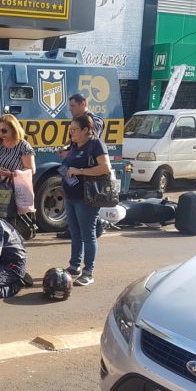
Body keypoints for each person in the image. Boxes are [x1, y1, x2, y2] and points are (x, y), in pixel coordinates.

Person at [60, 114, 112, 286]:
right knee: (75, 233)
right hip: (71, 196)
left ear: (85, 129)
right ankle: (74, 266)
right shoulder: (75, 145)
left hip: (86, 198)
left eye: (74, 130)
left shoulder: (96, 144)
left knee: (88, 235)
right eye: (70, 130)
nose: (71, 133)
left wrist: (80, 171)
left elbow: (105, 168)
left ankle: (88, 271)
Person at [56, 94, 105, 239]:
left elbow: (89, 141)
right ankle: (72, 228)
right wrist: (67, 150)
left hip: (87, 169)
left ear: (83, 103)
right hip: (74, 165)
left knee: (86, 203)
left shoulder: (94, 120)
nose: (70, 109)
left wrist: (72, 154)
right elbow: (75, 143)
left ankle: (97, 225)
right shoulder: (75, 121)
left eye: (73, 106)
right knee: (71, 198)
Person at [0, 114, 36, 211]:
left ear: (14, 129)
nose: (0, 134)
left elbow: (30, 170)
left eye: (4, 131)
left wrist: (11, 174)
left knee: (6, 223)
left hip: (10, 192)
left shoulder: (23, 146)